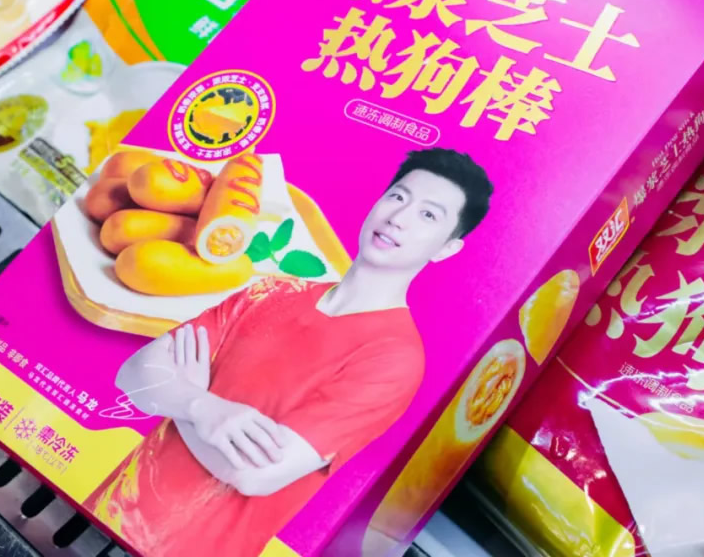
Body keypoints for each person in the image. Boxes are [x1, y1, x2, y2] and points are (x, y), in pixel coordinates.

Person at [85, 147, 493, 557]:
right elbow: (135, 373)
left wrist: (179, 397)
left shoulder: (394, 358)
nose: (398, 217)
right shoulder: (274, 290)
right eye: (398, 196)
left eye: (428, 215)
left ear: (446, 249)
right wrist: (201, 407)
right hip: (102, 511)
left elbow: (253, 475)